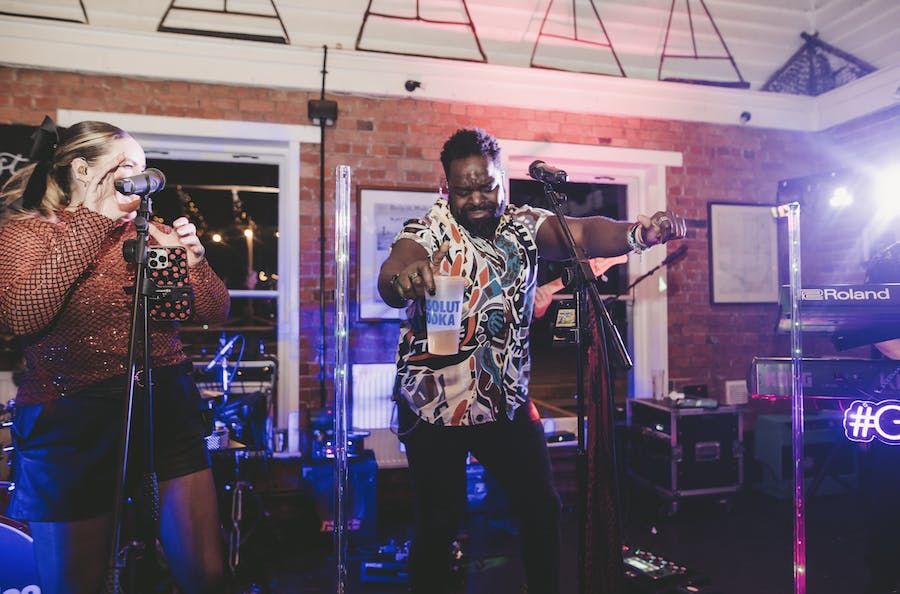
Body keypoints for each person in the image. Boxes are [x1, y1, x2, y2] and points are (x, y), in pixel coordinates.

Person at [377, 127, 685, 594]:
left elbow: (584, 232)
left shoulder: (524, 225)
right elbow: (395, 269)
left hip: (504, 402)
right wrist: (404, 281)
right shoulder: (429, 229)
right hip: (434, 404)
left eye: (487, 187)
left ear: (503, 180)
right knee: (439, 522)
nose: (476, 200)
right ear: (446, 188)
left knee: (542, 507)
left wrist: (638, 233)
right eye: (463, 191)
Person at [0, 118, 230, 594]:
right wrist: (96, 218)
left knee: (206, 574)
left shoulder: (150, 233)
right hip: (71, 416)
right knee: (78, 583)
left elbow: (211, 312)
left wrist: (195, 264)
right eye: (127, 166)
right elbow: (25, 313)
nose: (141, 180)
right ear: (83, 169)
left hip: (165, 403)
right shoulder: (26, 233)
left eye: (144, 168)